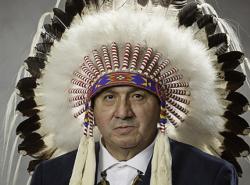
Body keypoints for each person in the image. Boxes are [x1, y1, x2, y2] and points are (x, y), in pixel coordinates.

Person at [14, 0, 249, 185]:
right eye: (109, 97)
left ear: (162, 107)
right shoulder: (51, 176)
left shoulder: (210, 176)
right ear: (91, 111)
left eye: (138, 96)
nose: (123, 112)